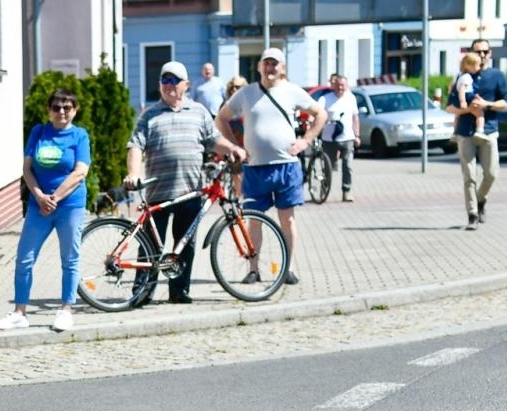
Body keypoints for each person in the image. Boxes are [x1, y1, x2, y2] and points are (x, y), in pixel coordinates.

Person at [125, 62, 243, 305]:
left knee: (184, 243)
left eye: (174, 80)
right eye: (164, 80)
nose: (169, 85)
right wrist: (133, 173)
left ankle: (179, 291)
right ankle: (142, 293)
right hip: (158, 190)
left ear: (186, 85)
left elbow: (213, 140)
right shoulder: (149, 115)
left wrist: (231, 148)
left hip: (190, 191)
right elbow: (135, 145)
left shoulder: (199, 111)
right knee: (149, 246)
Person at [214, 48, 323, 286]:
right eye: (266, 63)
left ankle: (288, 268)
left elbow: (320, 114)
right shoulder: (246, 93)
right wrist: (234, 146)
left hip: (286, 166)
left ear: (282, 68)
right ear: (259, 66)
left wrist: (306, 140)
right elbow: (221, 118)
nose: (270, 68)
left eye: (275, 64)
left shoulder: (292, 91)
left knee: (288, 220)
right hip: (255, 168)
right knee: (254, 220)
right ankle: (253, 269)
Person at [0, 88, 90, 333]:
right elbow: (27, 168)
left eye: (67, 107)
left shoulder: (79, 135)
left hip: (69, 205)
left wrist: (54, 198)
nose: (61, 112)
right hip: (39, 206)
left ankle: (66, 309)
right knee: (24, 259)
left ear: (75, 110)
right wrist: (39, 196)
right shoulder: (39, 132)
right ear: (49, 110)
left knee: (70, 259)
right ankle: (19, 312)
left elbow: (80, 172)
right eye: (56, 107)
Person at [447, 39, 507, 230]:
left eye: (485, 52)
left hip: (489, 131)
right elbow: (450, 107)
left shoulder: (497, 75)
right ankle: (472, 214)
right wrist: (468, 110)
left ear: (490, 53)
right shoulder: (461, 77)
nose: (481, 55)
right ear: (470, 55)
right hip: (465, 132)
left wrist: (486, 105)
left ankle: (481, 198)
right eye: (477, 52)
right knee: (469, 176)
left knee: (491, 174)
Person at [319, 74, 360, 203]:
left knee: (348, 165)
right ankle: (324, 189)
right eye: (338, 85)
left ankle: (346, 191)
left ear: (347, 86)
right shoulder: (325, 99)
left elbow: (355, 118)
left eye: (343, 85)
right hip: (329, 139)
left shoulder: (351, 98)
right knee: (328, 167)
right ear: (334, 86)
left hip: (347, 137)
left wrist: (357, 135)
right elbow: (317, 114)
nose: (340, 88)